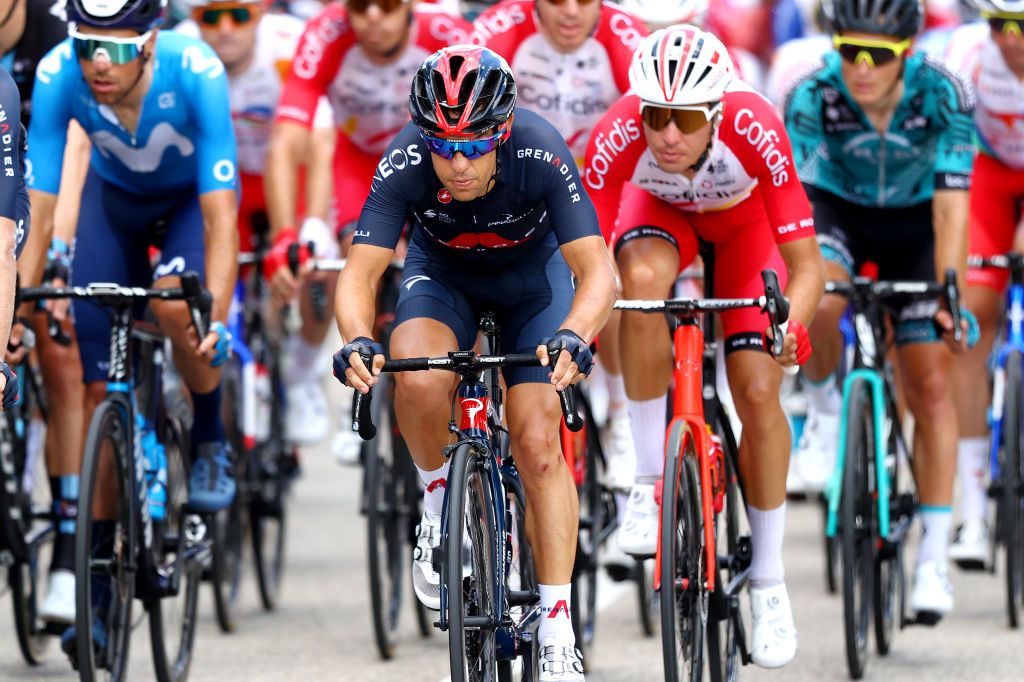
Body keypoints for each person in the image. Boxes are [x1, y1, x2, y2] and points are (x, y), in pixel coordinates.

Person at [335, 45, 616, 681]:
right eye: (442, 146)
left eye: (475, 146)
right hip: (445, 278)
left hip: (533, 284)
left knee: (539, 438)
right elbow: (360, 273)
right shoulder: (404, 160)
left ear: (504, 133)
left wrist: (575, 333)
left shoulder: (540, 151)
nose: (457, 163)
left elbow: (596, 271)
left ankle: (555, 624)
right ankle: (437, 505)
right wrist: (356, 338)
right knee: (414, 365)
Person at [582, 25, 824, 668]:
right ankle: (645, 480)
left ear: (715, 111)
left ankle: (769, 583)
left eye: (684, 119)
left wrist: (788, 328)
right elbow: (586, 263)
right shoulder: (618, 132)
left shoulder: (757, 125)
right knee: (635, 285)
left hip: (745, 229)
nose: (666, 134)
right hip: (659, 218)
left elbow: (808, 268)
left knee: (753, 386)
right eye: (655, 116)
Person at [27, 0, 239, 656]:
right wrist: (18, 307)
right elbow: (36, 213)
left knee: (180, 307)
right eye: (87, 45)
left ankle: (208, 435)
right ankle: (93, 595)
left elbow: (221, 220)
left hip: (184, 209)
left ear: (150, 44)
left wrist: (219, 318)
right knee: (98, 396)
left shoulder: (197, 68)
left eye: (115, 50)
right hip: (111, 209)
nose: (97, 63)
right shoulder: (59, 70)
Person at [785, 0, 975, 619]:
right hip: (841, 214)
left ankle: (934, 561)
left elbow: (952, 207)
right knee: (819, 300)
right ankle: (821, 411)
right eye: (849, 50)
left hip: (918, 226)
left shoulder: (945, 95)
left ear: (909, 52)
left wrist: (949, 294)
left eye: (879, 55)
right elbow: (803, 214)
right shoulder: (811, 96)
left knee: (929, 383)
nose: (861, 68)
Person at [268, 0, 472, 458]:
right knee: (357, 254)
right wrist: (285, 234)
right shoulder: (325, 34)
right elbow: (287, 140)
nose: (373, 18)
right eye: (360, 6)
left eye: (386, 5)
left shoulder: (445, 31)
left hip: (435, 161)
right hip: (359, 163)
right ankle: (358, 397)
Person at [473, 0, 645, 522]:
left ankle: (619, 417)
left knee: (609, 269)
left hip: (602, 179)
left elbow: (652, 131)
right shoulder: (500, 29)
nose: (570, 11)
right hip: (522, 183)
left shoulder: (624, 35)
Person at [948, 0, 1024, 569]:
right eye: (1001, 24)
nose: (1011, 39)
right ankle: (971, 512)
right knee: (971, 319)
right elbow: (947, 153)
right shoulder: (967, 55)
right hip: (989, 173)